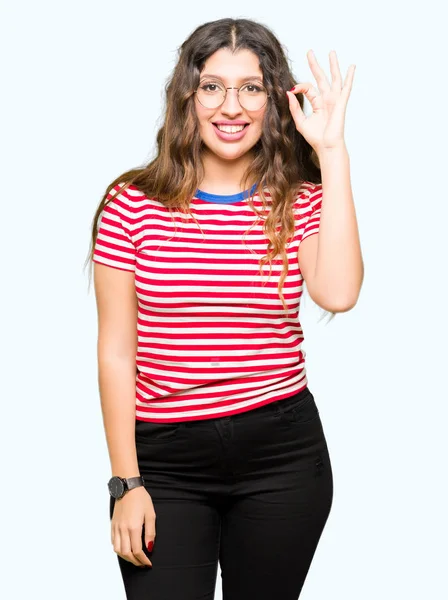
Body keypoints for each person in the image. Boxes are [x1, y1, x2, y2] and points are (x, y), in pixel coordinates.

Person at [87, 17, 363, 600]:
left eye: (252, 88)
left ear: (274, 101)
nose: (230, 106)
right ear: (187, 96)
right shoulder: (130, 205)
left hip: (281, 457)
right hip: (166, 464)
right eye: (212, 86)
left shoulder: (300, 200)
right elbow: (116, 352)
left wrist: (332, 151)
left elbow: (338, 293)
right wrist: (125, 482)